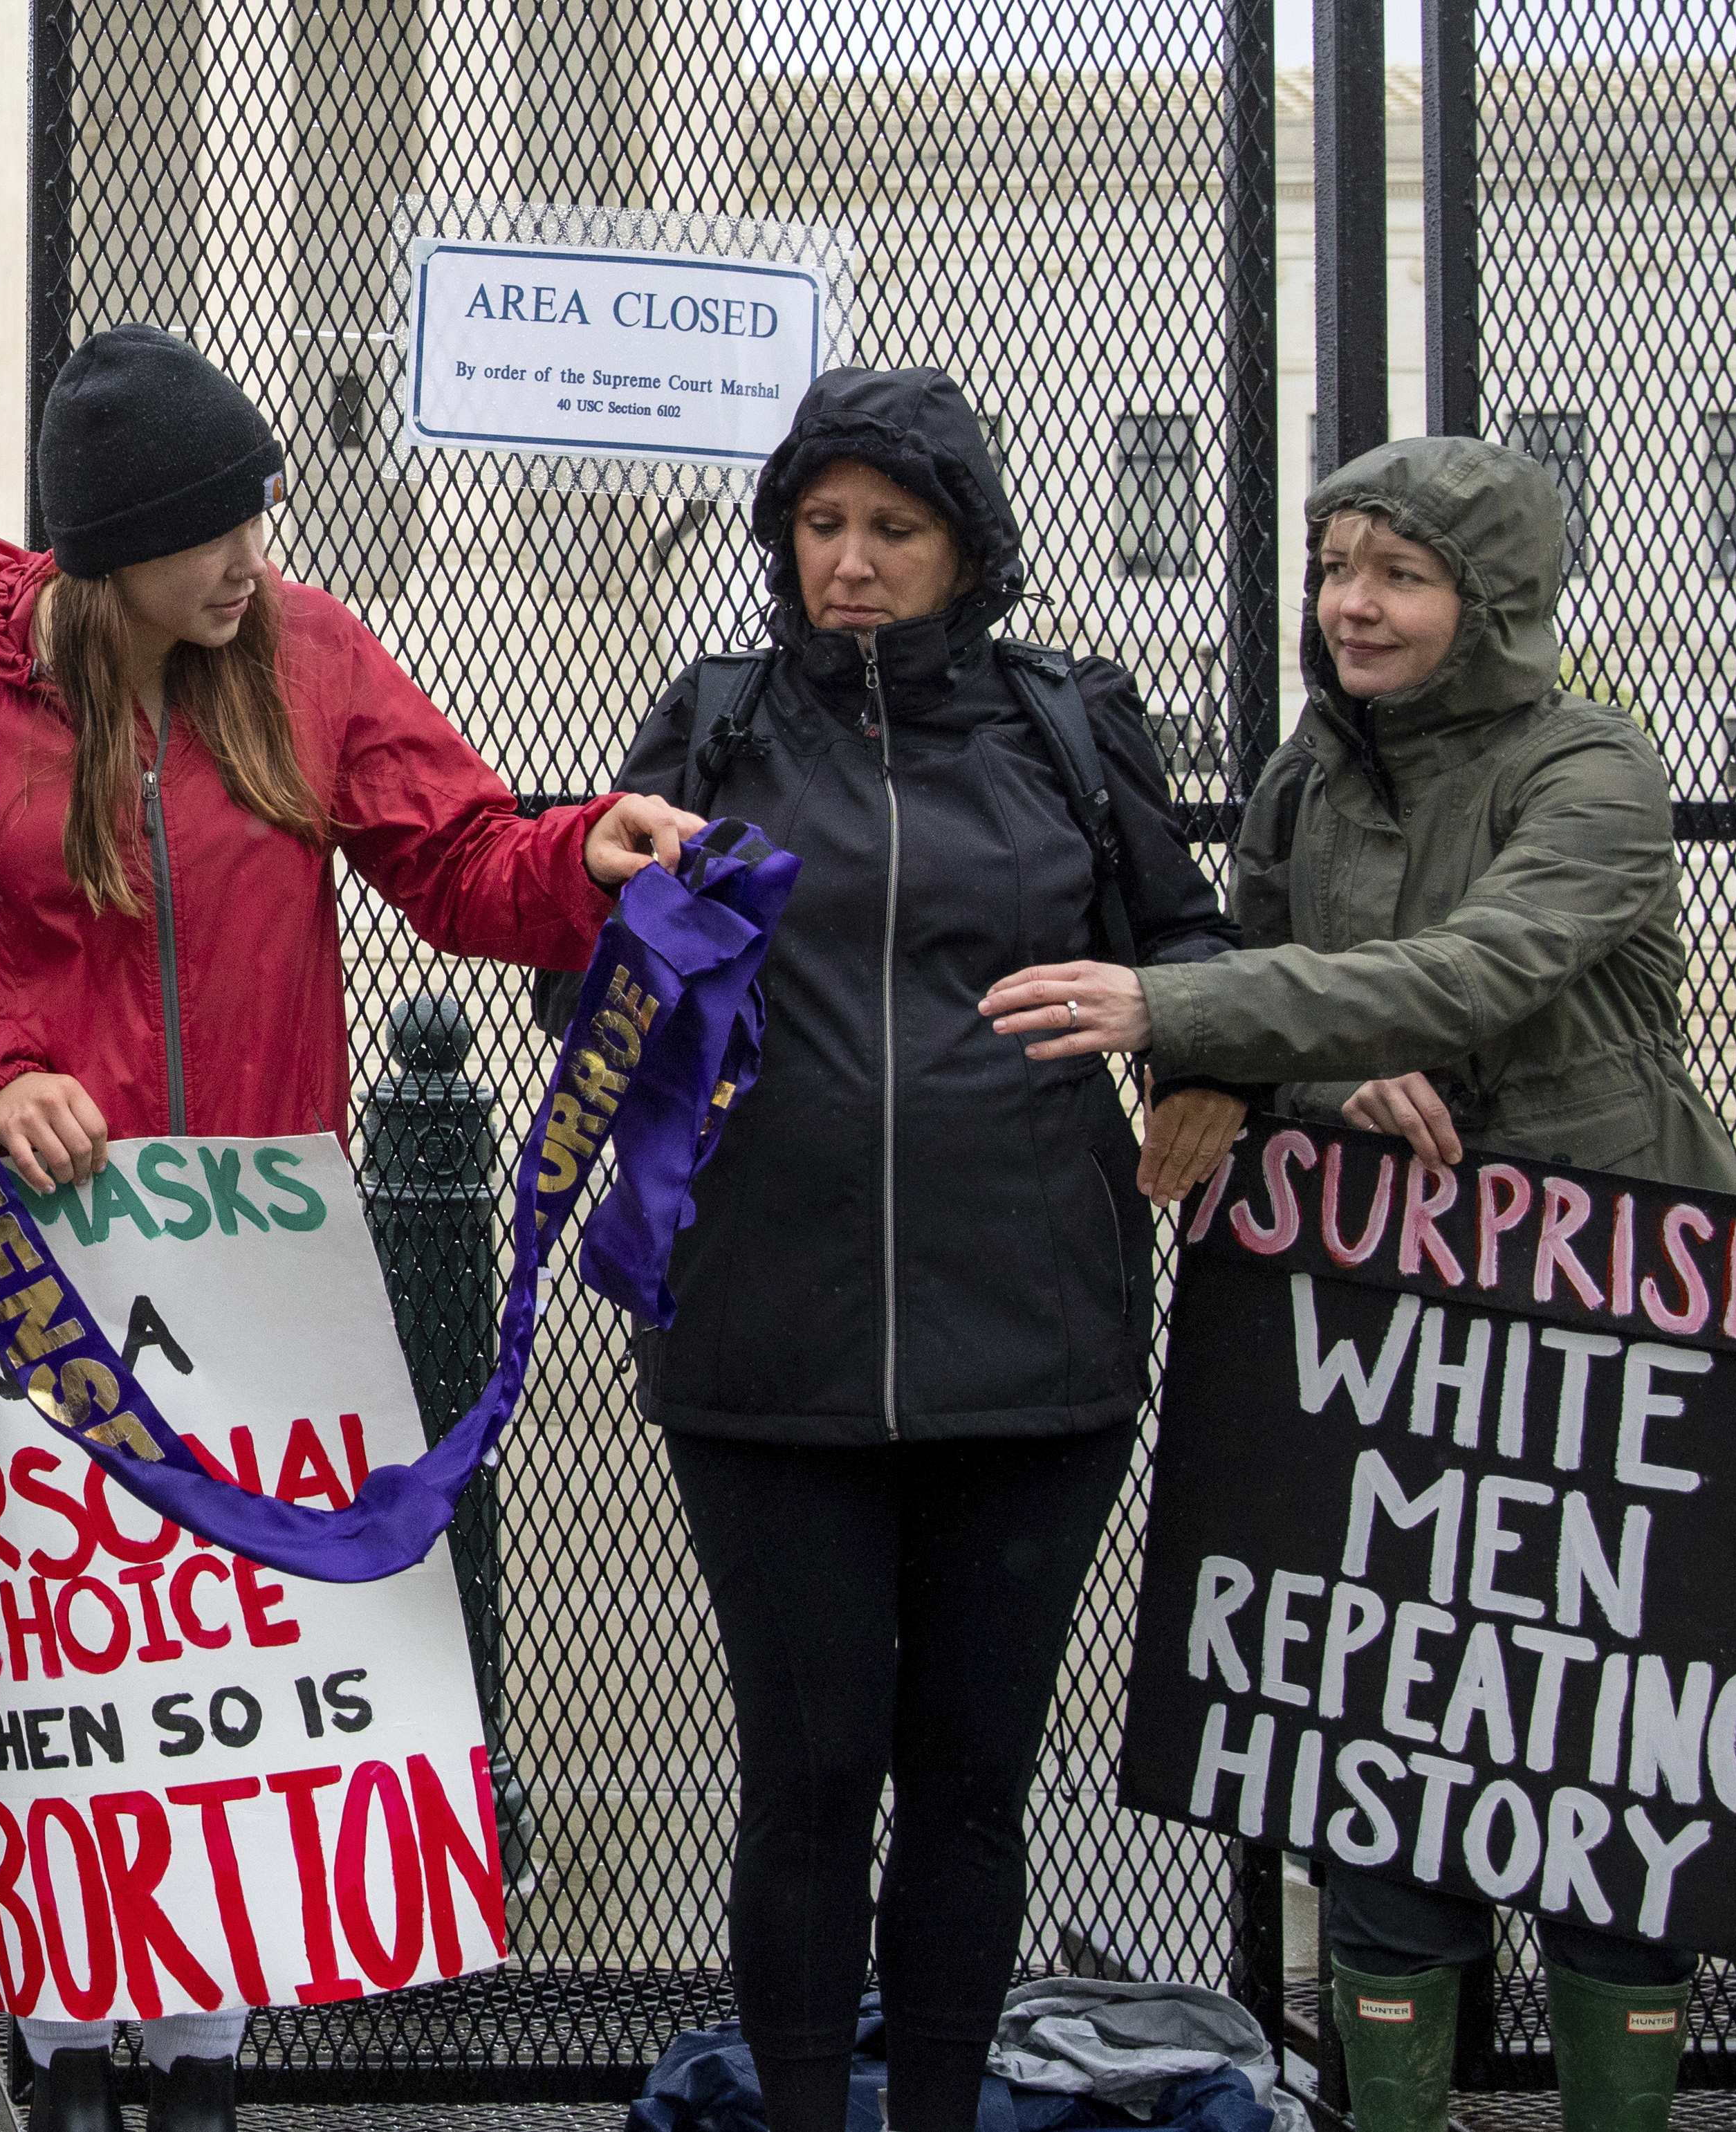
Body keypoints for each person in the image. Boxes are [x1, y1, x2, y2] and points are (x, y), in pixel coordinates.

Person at [0, 324, 703, 2131]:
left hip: (261, 1258)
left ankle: (205, 2074)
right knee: (72, 1679)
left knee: (240, 1672)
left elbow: (456, 856)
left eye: (257, 513)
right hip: (29, 1258)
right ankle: (61, 2061)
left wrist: (582, 859)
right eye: (214, 529)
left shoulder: (303, 652)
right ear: (105, 549)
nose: (253, 555)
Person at [980, 434, 1735, 2132]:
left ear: (1492, 601)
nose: (1353, 608)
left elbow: (1478, 969)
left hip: (1600, 1320)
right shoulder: (1301, 780)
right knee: (1386, 1758)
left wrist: (1184, 1018)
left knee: (1610, 1772)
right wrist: (1313, 1075)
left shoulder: (1589, 765)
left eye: (1396, 575)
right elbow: (1271, 1007)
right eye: (1335, 572)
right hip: (1384, 1332)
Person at [598, 367, 1246, 2132]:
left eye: (892, 528)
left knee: (972, 1779)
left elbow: (1179, 940)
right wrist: (626, 936)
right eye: (820, 526)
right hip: (765, 1341)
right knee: (804, 1774)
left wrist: (1196, 1057)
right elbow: (590, 976)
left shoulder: (1065, 720)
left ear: (964, 546)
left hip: (1029, 1336)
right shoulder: (715, 724)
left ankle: (943, 2111)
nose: (852, 563)